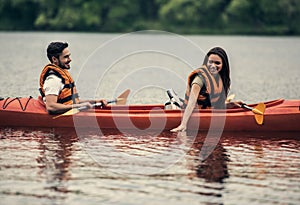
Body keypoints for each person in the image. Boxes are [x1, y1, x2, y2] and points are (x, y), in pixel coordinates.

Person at [171, 47, 237, 132]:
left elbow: (215, 106)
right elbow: (191, 103)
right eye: (210, 62)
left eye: (217, 63)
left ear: (223, 65)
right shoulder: (199, 79)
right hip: (191, 112)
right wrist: (183, 124)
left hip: (206, 112)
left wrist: (231, 105)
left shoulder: (220, 79)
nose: (213, 66)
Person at [39, 42, 107, 114]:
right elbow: (51, 107)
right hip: (59, 117)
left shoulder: (62, 74)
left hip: (68, 112)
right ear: (54, 59)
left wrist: (96, 101)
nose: (70, 59)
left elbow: (73, 102)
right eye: (66, 57)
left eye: (69, 56)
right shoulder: (53, 80)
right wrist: (78, 106)